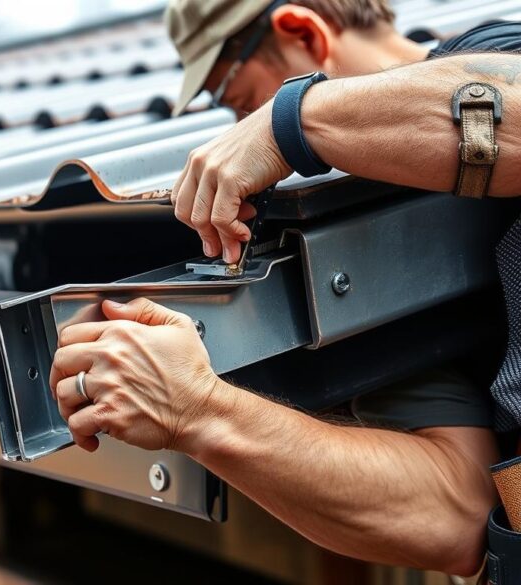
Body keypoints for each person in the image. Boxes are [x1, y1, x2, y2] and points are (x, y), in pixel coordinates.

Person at [49, 0, 521, 576]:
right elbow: (457, 517)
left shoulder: (494, 52)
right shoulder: (372, 268)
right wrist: (199, 411)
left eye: (239, 101)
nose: (236, 136)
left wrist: (288, 121)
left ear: (301, 31)